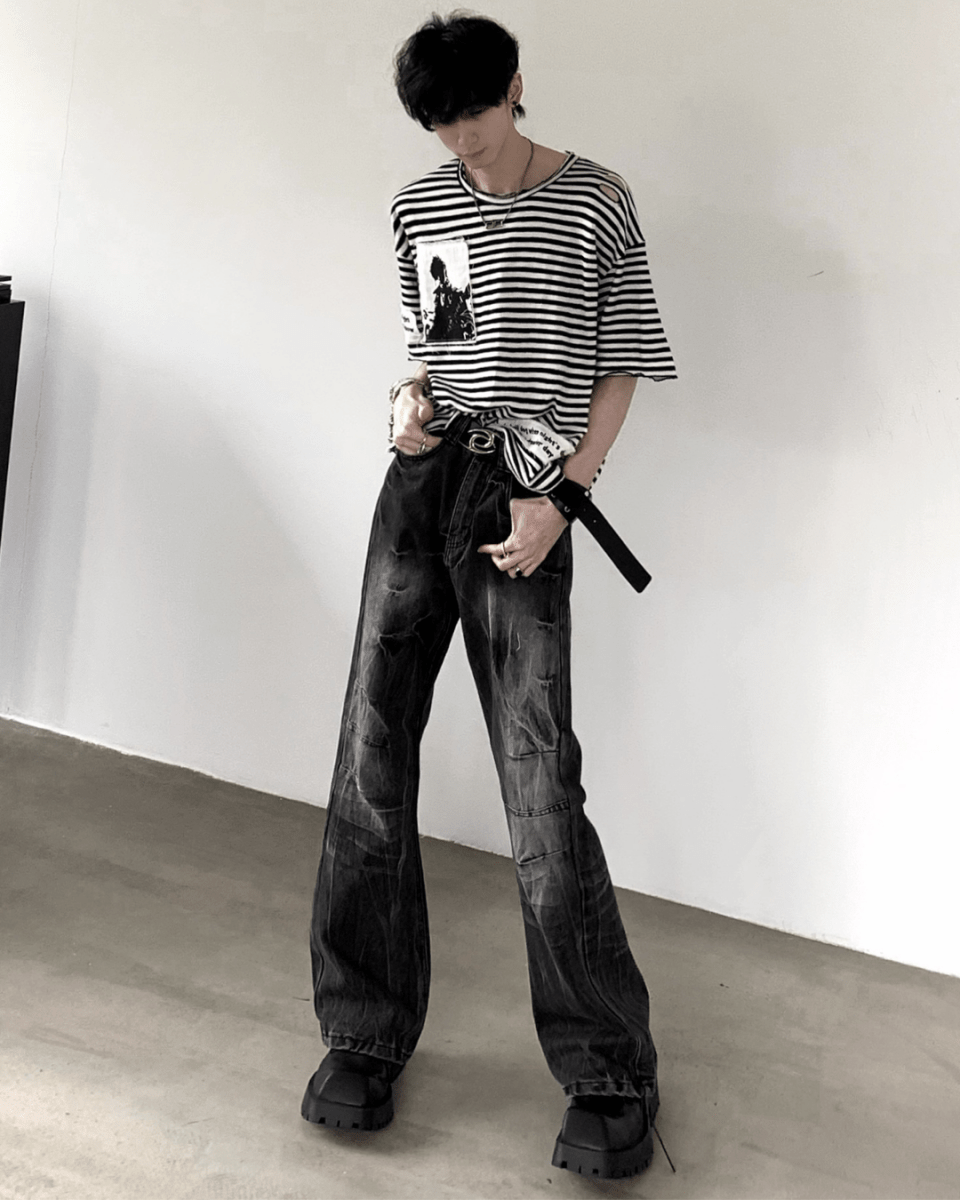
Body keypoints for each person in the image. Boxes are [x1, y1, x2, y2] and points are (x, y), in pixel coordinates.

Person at [302, 12, 677, 1180]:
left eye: (475, 114)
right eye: (440, 125)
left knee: (538, 778)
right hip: (425, 486)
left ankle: (608, 1068)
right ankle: (362, 1033)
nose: (463, 141)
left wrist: (564, 496)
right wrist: (405, 405)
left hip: (528, 493)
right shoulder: (422, 204)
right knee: (371, 757)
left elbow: (622, 361)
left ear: (516, 85)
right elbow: (442, 347)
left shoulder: (596, 198)